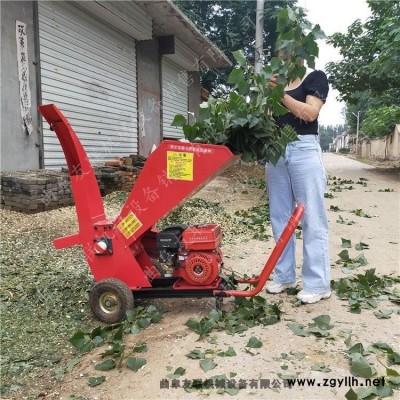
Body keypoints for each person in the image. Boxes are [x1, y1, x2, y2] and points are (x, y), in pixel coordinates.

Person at [265, 68, 331, 304]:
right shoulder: (273, 81)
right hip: (275, 149)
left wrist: (279, 95)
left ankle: (318, 283)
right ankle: (284, 276)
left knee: (311, 216)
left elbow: (310, 114)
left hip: (303, 148)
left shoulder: (315, 78)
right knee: (280, 217)